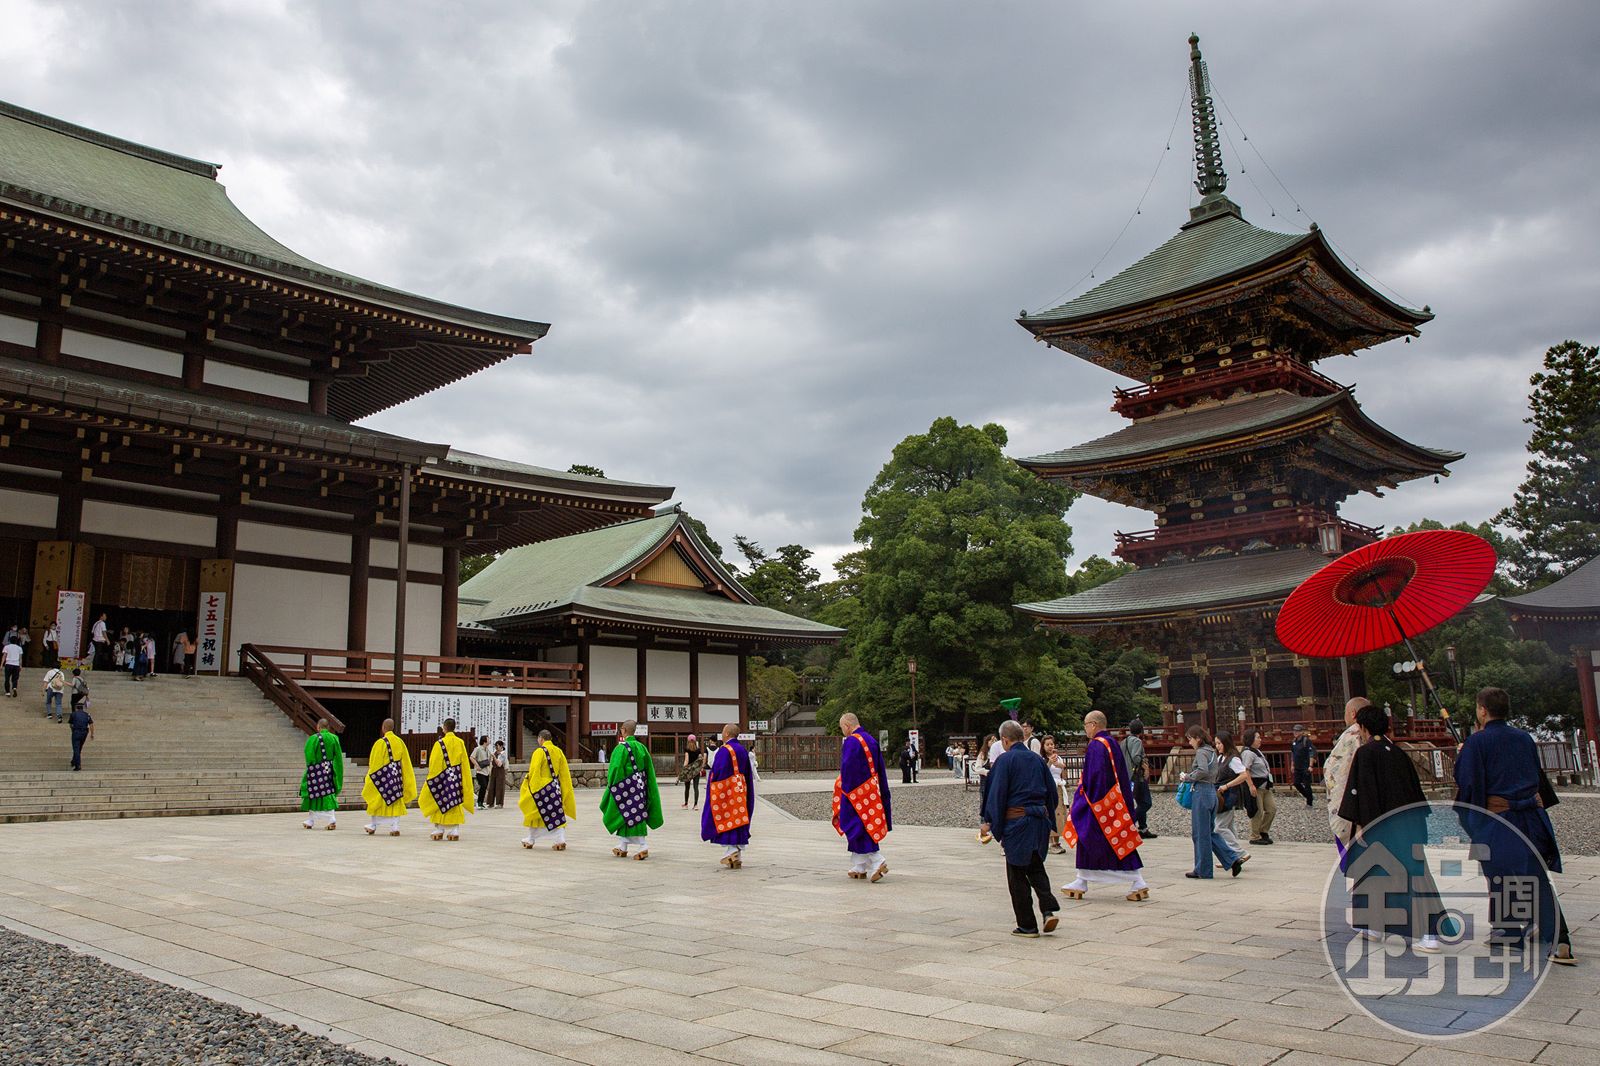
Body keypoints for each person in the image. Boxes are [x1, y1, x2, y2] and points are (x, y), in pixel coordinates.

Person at [1454, 687, 1576, 965]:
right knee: (1533, 876)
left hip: (1499, 817)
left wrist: (1464, 755)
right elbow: (1533, 773)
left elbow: (1468, 781)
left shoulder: (1477, 742)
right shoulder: (1523, 738)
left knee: (1499, 874)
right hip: (1529, 816)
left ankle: (1517, 932)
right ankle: (1554, 937)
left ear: (1482, 710)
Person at [1338, 702, 1447, 953]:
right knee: (1404, 874)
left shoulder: (1366, 753)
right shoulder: (1398, 753)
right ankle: (1375, 926)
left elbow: (1363, 793)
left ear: (1363, 728)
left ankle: (1429, 934)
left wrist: (1362, 824)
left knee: (1390, 875)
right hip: (1408, 823)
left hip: (1382, 825)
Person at [981, 720, 1061, 937]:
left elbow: (996, 793)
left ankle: (1027, 924)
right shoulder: (1037, 760)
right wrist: (1047, 817)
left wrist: (988, 821)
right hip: (1039, 820)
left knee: (1016, 872)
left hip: (1017, 822)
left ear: (1005, 740)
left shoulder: (1005, 761)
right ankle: (1048, 909)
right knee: (1036, 866)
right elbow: (1052, 794)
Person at [1061, 711, 1149, 902]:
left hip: (1098, 802)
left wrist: (1087, 799)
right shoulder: (1112, 743)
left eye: (1085, 725)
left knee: (1090, 838)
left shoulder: (1096, 745)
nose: (1085, 729)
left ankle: (1134, 879)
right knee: (1118, 838)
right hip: (1114, 800)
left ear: (1093, 724)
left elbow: (1096, 776)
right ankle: (1083, 878)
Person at [1179, 725, 1244, 879]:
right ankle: (1232, 859)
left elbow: (1202, 770)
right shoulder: (1212, 751)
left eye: (1190, 739)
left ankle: (1203, 870)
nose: (1189, 742)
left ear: (1198, 739)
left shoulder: (1201, 752)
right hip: (1211, 792)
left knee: (1200, 834)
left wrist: (1187, 777)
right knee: (1209, 832)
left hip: (1201, 793)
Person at [835, 712, 891, 881]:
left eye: (842, 728)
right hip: (871, 790)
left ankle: (877, 860)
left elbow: (847, 767)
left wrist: (844, 788)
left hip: (854, 793)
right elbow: (879, 767)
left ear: (847, 726)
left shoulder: (852, 741)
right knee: (867, 823)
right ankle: (859, 865)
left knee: (856, 825)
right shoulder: (871, 740)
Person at [600, 720, 662, 858]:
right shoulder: (641, 747)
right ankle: (622, 845)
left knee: (625, 813)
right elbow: (649, 770)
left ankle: (643, 845)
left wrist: (612, 785)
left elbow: (615, 769)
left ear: (623, 730)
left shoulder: (621, 748)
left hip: (624, 788)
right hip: (639, 787)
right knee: (634, 813)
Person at [702, 723, 755, 868]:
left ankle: (731, 849)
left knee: (727, 817)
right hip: (740, 790)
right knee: (739, 817)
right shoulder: (742, 750)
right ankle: (737, 852)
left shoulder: (724, 750)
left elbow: (717, 771)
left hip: (727, 793)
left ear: (726, 734)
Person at [419, 718, 475, 841]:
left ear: (444, 728)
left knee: (440, 800)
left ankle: (439, 828)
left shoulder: (439, 744)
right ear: (454, 728)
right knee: (455, 800)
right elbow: (464, 763)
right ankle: (454, 829)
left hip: (442, 778)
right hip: (456, 778)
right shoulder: (460, 742)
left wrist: (433, 778)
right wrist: (464, 779)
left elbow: (434, 764)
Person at [1324, 697, 1368, 854]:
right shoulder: (1373, 734)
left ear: (1353, 713)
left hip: (1350, 802)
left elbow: (1338, 772)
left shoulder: (1352, 735)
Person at [520, 728, 575, 850]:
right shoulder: (559, 751)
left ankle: (531, 838)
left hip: (540, 787)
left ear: (541, 739)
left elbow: (534, 771)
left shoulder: (539, 752)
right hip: (554, 787)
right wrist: (563, 789)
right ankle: (559, 839)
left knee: (535, 814)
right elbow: (564, 773)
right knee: (556, 813)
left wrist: (532, 788)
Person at [361, 717, 417, 836]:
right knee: (396, 799)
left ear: (383, 728)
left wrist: (370, 777)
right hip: (396, 778)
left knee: (377, 799)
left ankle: (373, 825)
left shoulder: (380, 743)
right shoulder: (400, 742)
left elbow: (374, 763)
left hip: (382, 778)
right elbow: (405, 762)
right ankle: (395, 826)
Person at [1212, 732, 1255, 866]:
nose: (1217, 746)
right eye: (1216, 743)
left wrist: (1227, 785)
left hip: (1229, 795)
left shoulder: (1233, 759)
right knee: (1228, 827)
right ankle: (1231, 856)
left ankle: (1239, 853)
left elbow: (1243, 775)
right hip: (1222, 794)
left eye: (1219, 743)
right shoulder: (1221, 758)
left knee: (1219, 827)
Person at [299, 717, 344, 830]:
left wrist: (313, 767)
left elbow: (308, 755)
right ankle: (313, 819)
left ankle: (328, 818)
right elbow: (338, 757)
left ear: (318, 727)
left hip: (315, 770)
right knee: (328, 792)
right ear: (328, 727)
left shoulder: (313, 739)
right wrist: (336, 771)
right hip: (328, 769)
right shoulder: (334, 738)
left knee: (313, 793)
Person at [1121, 718, 1157, 838]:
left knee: (1139, 800)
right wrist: (1144, 763)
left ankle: (1143, 828)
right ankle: (1129, 823)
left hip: (1127, 776)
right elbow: (1136, 758)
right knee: (1146, 803)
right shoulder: (1137, 741)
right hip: (1138, 776)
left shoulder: (1124, 742)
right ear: (1141, 730)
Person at [1242, 729, 1277, 846]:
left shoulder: (1257, 751)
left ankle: (1263, 830)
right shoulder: (1247, 753)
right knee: (1258, 811)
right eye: (1257, 737)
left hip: (1265, 786)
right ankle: (1255, 835)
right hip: (1256, 785)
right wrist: (1251, 785)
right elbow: (1245, 770)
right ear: (1251, 739)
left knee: (1271, 809)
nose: (1260, 739)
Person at [1042, 735, 1067, 854]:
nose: (1050, 746)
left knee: (1060, 813)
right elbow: (1043, 772)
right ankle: (1050, 842)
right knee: (1050, 812)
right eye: (1047, 744)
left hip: (1059, 786)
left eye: (1052, 744)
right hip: (1048, 787)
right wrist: (1050, 762)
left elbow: (1063, 773)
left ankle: (1056, 840)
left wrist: (1061, 766)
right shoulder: (1042, 759)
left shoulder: (1059, 758)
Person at [975, 731, 1000, 844]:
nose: (994, 742)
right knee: (984, 805)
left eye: (995, 740)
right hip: (986, 782)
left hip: (996, 782)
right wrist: (987, 772)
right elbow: (977, 768)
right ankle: (983, 829)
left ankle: (994, 827)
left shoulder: (999, 753)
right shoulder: (983, 754)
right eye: (992, 740)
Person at [1290, 731, 1319, 807]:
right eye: (1294, 730)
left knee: (1307, 784)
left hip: (1305, 765)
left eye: (1297, 731)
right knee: (1296, 783)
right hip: (1297, 765)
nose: (1295, 732)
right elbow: (1293, 754)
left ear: (1301, 732)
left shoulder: (1306, 741)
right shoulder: (1294, 742)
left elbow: (1311, 753)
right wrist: (1292, 765)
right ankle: (1309, 796)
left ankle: (1309, 803)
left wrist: (1310, 765)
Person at [679, 733, 705, 809]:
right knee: (696, 787)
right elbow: (700, 759)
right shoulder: (698, 750)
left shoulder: (687, 749)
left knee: (687, 788)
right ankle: (696, 805)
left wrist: (684, 769)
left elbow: (686, 760)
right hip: (696, 771)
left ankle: (686, 804)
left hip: (688, 771)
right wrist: (700, 769)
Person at [68, 698, 93, 770]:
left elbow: (71, 724)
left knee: (76, 748)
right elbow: (91, 724)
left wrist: (72, 730)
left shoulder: (73, 714)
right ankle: (74, 760)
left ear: (76, 708)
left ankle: (77, 765)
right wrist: (92, 734)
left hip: (76, 732)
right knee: (79, 747)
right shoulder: (87, 715)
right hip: (84, 732)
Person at [471, 735, 493, 801]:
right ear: (484, 741)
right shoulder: (478, 749)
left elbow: (490, 760)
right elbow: (471, 757)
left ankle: (481, 802)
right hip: (480, 772)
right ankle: (479, 803)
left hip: (486, 772)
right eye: (488, 739)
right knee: (483, 786)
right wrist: (477, 766)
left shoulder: (488, 750)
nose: (489, 740)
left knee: (485, 787)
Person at [487, 740, 508, 808]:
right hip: (494, 771)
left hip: (500, 771)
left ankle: (499, 803)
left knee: (499, 787)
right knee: (492, 786)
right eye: (495, 746)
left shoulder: (503, 754)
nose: (496, 747)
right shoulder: (495, 753)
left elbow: (499, 764)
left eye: (497, 746)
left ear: (501, 746)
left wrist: (494, 757)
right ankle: (490, 803)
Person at [2, 633, 21, 697]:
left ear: (10, 640)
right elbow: (20, 658)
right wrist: (20, 665)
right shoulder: (19, 648)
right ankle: (14, 688)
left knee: (7, 678)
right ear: (16, 641)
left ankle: (8, 692)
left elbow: (4, 656)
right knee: (15, 678)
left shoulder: (6, 647)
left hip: (8, 664)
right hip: (16, 665)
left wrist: (1, 665)